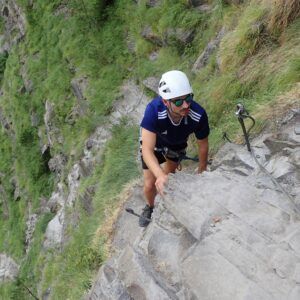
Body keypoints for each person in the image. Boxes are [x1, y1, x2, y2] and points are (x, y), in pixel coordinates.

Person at [139, 70, 209, 227]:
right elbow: (147, 150)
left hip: (176, 143)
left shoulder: (198, 114)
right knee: (150, 184)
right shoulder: (154, 111)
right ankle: (149, 206)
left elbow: (202, 143)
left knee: (168, 177)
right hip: (155, 143)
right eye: (178, 102)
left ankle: (166, 201)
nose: (185, 105)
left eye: (188, 98)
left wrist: (202, 170)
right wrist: (159, 175)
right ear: (165, 102)